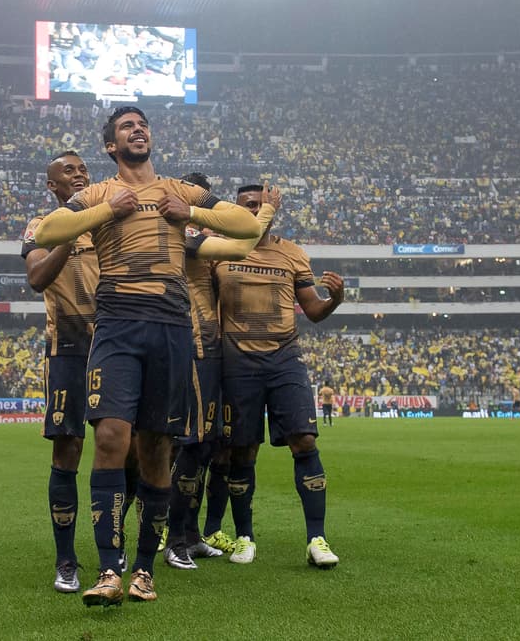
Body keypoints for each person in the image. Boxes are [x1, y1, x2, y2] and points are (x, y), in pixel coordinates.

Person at [33, 106, 261, 606]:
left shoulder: (181, 191)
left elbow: (244, 224)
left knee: (157, 448)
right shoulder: (96, 194)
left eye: (143, 124)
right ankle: (109, 570)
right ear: (111, 147)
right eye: (125, 127)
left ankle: (143, 569)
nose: (138, 130)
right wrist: (108, 212)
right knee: (112, 437)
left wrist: (193, 215)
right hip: (116, 323)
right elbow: (47, 232)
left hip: (171, 324)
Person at [213, 184, 344, 569]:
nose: (254, 210)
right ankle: (244, 536)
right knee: (243, 449)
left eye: (260, 205)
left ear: (273, 209)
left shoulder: (293, 254)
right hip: (237, 363)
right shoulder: (220, 251)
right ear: (234, 211)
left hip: (285, 359)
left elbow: (314, 311)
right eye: (247, 206)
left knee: (304, 440)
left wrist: (335, 298)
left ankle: (316, 538)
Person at [166, 173, 275, 572]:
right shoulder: (183, 235)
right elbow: (242, 245)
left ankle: (190, 535)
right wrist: (265, 211)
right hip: (194, 344)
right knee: (192, 444)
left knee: (205, 446)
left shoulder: (193, 235)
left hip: (210, 347)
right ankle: (174, 537)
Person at [22, 151, 100, 594]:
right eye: (68, 171)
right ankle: (66, 559)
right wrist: (71, 235)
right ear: (53, 187)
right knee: (68, 447)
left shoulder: (109, 218)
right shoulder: (42, 226)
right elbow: (36, 278)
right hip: (68, 347)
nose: (79, 174)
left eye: (82, 168)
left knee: (122, 446)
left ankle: (114, 545)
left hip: (115, 345)